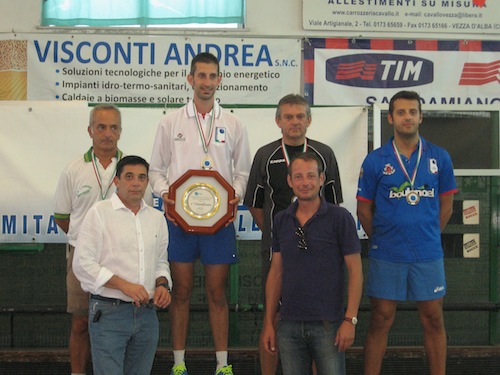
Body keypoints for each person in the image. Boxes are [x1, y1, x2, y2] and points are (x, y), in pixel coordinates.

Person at [149, 52, 251, 375]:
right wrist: (168, 196)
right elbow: (155, 170)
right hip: (179, 222)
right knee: (180, 291)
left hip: (218, 223)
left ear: (220, 80)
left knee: (217, 292)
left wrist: (234, 196)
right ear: (190, 79)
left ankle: (222, 365)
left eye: (212, 76)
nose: (207, 82)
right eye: (201, 76)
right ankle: (179, 364)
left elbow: (243, 172)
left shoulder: (233, 123)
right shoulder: (170, 122)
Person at [357, 90, 458, 375]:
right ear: (390, 118)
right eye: (401, 112)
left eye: (412, 112)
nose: (407, 117)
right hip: (387, 253)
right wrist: (382, 239)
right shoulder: (376, 160)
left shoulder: (440, 157)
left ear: (421, 117)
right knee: (380, 318)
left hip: (428, 254)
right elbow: (363, 210)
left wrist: (426, 235)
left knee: (433, 319)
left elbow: (447, 207)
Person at [243, 93, 343, 375]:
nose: (294, 122)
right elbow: (254, 202)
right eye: (288, 116)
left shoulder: (325, 153)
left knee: (314, 321)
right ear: (278, 121)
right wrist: (280, 236)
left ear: (309, 120)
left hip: (320, 254)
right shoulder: (265, 154)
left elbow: (334, 204)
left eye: (300, 116)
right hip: (278, 253)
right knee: (272, 317)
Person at [261, 152, 363, 375]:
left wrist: (350, 319)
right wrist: (269, 322)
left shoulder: (340, 218)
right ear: (289, 181)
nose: (304, 183)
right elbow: (276, 272)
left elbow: (355, 270)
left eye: (310, 176)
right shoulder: (281, 220)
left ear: (321, 179)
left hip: (329, 324)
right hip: (288, 325)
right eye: (298, 177)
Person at [72, 155, 172, 375]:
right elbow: (82, 264)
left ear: (147, 183)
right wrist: (123, 285)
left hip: (147, 315)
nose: (136, 183)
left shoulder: (157, 218)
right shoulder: (99, 213)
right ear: (116, 181)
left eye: (141, 177)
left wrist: (163, 285)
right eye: (129, 177)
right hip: (109, 313)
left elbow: (160, 262)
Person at [54, 104, 123, 375]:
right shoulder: (73, 170)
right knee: (81, 323)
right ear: (90, 130)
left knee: (117, 323)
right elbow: (62, 218)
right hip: (82, 258)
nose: (107, 134)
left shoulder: (131, 170)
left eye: (113, 127)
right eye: (101, 127)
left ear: (120, 131)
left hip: (120, 258)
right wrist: (87, 243)